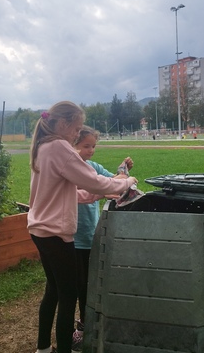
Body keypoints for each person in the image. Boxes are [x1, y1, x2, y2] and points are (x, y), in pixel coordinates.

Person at [28, 101, 137, 353]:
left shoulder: (43, 147)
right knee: (68, 297)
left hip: (39, 231)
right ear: (64, 125)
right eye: (76, 129)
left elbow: (75, 193)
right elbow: (96, 182)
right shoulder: (59, 147)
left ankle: (43, 348)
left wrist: (101, 193)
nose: (78, 134)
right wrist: (126, 181)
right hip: (56, 235)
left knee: (53, 292)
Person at [71, 126, 133, 351]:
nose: (91, 150)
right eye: (86, 146)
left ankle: (87, 322)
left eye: (93, 146)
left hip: (91, 236)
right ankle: (80, 328)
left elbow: (113, 182)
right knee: (78, 285)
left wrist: (123, 171)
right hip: (73, 239)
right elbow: (101, 188)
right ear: (72, 145)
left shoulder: (93, 167)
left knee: (91, 283)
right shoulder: (69, 170)